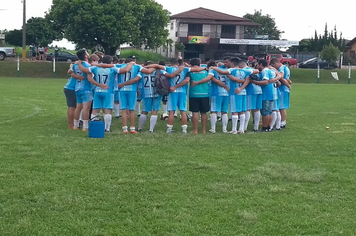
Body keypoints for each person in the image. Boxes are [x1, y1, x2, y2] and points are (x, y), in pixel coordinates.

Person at [78, 55, 133, 132]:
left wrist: (99, 85)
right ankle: (107, 128)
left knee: (95, 110)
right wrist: (130, 64)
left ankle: (94, 127)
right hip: (108, 91)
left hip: (97, 91)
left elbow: (86, 73)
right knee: (107, 111)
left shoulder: (95, 68)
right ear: (111, 62)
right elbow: (125, 70)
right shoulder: (112, 68)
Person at [212, 58, 250, 134]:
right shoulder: (244, 71)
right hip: (243, 92)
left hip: (234, 92)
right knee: (242, 111)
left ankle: (234, 129)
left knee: (234, 111)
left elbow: (222, 72)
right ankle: (241, 129)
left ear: (232, 64)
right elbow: (248, 79)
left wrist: (213, 67)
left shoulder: (232, 70)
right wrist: (242, 87)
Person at [137, 61, 164, 132]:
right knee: (154, 111)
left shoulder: (141, 72)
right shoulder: (158, 71)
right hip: (156, 92)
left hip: (146, 93)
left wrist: (137, 89)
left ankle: (140, 128)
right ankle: (151, 129)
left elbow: (137, 79)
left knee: (144, 111)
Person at [250, 59, 275, 132]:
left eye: (257, 65)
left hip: (265, 93)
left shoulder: (265, 71)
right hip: (270, 93)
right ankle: (268, 127)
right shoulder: (269, 70)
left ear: (260, 64)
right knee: (269, 112)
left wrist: (254, 82)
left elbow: (265, 82)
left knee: (265, 112)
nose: (257, 66)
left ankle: (264, 127)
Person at [72, 49, 93, 131]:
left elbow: (71, 72)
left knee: (78, 108)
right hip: (86, 88)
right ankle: (85, 126)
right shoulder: (87, 65)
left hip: (77, 88)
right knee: (86, 108)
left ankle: (75, 125)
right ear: (85, 56)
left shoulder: (75, 65)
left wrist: (77, 77)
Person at [206, 60, 230, 133]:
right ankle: (224, 129)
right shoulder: (226, 70)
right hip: (226, 93)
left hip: (216, 92)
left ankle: (213, 129)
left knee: (214, 111)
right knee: (224, 112)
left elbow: (215, 81)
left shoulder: (212, 70)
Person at [188, 58, 210, 134]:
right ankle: (204, 130)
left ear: (191, 64)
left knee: (195, 113)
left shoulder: (190, 71)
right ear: (200, 63)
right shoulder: (205, 72)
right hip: (205, 93)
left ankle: (195, 130)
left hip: (194, 94)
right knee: (204, 113)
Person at [238, 60, 261, 132]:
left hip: (250, 90)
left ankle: (244, 127)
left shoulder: (244, 71)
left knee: (247, 109)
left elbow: (246, 80)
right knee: (257, 109)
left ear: (240, 66)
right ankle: (256, 127)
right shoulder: (254, 70)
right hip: (259, 90)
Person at [270, 58, 292, 129]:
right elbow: (287, 79)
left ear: (275, 64)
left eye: (274, 66)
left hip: (282, 89)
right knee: (281, 107)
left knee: (281, 107)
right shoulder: (286, 68)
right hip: (285, 89)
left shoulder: (281, 68)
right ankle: (280, 121)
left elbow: (281, 77)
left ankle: (282, 122)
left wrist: (276, 73)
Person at [64, 63, 85, 129]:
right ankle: (71, 125)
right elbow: (69, 72)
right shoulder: (80, 66)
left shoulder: (78, 66)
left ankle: (76, 123)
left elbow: (70, 72)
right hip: (71, 88)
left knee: (77, 107)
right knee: (72, 107)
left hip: (73, 88)